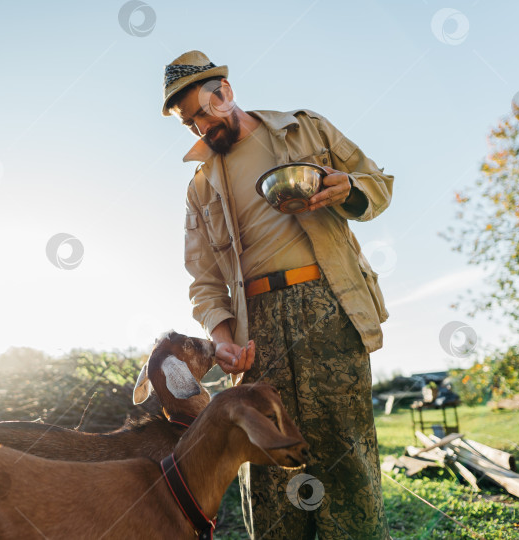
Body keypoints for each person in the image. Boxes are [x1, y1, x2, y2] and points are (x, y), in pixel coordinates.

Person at [162, 50, 393, 539]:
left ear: (226, 91)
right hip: (255, 330)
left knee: (344, 456)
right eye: (189, 122)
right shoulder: (200, 188)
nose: (201, 125)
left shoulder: (306, 130)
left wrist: (346, 186)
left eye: (204, 110)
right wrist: (222, 338)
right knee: (267, 472)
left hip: (329, 307)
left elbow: (379, 184)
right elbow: (203, 280)